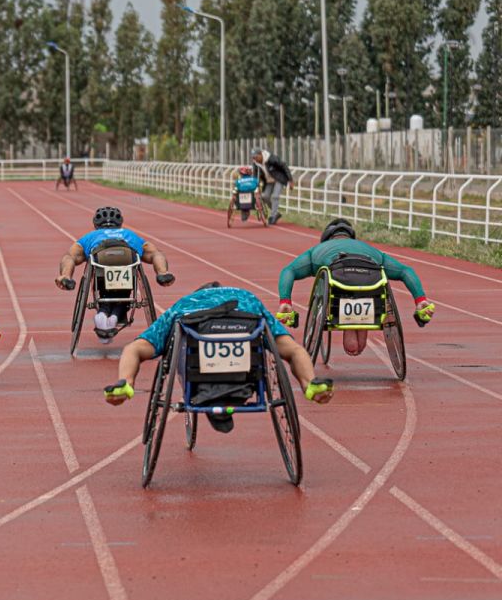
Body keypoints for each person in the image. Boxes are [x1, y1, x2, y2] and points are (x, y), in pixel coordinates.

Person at [103, 281, 333, 431]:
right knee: (292, 348)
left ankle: (126, 387)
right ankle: (311, 385)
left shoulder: (183, 306)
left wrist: (126, 379)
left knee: (138, 347)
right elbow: (292, 350)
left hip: (198, 375)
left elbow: (134, 349)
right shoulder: (248, 299)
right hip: (245, 373)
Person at [276, 218, 436, 357]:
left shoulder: (318, 250)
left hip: (339, 283)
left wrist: (285, 301)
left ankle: (349, 318)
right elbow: (405, 271)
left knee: (351, 345)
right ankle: (364, 316)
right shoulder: (369, 249)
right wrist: (420, 299)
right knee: (369, 287)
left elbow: (288, 271)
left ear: (326, 239)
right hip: (370, 283)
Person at [54, 206, 175, 340]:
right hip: (127, 259)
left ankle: (66, 277)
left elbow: (71, 256)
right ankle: (163, 273)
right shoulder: (129, 234)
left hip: (101, 260)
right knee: (156, 253)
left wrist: (66, 272)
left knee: (71, 256)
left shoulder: (90, 237)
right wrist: (160, 269)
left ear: (95, 223)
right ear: (120, 223)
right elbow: (154, 253)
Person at [251, 148, 292, 225]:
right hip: (269, 181)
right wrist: (255, 185)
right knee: (264, 196)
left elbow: (284, 165)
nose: (255, 159)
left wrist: (290, 180)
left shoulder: (271, 158)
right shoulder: (256, 164)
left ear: (260, 155)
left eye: (256, 157)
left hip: (279, 179)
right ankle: (276, 213)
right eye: (253, 158)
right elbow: (255, 176)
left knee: (275, 196)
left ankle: (273, 216)